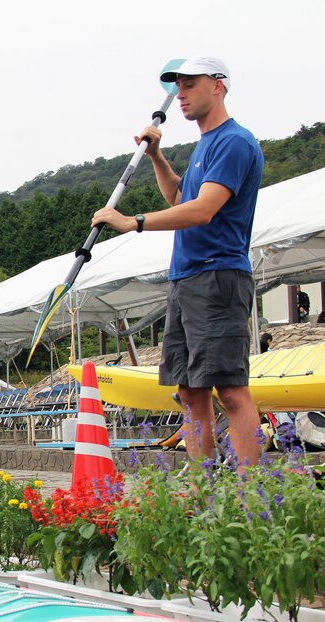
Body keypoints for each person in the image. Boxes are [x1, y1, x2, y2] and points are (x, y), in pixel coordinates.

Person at [91, 57, 264, 469]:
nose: (180, 94)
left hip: (218, 275)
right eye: (177, 86)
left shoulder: (234, 142)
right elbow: (178, 199)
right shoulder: (205, 145)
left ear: (218, 86)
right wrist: (157, 156)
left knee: (231, 389)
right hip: (185, 278)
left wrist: (133, 222)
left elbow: (203, 210)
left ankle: (250, 496)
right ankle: (204, 489)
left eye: (189, 84)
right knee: (190, 392)